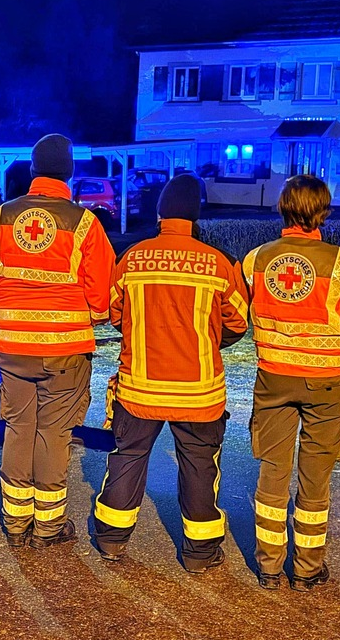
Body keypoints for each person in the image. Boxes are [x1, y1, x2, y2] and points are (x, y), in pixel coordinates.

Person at [91, 175, 250, 571]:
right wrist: (210, 341)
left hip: (140, 388)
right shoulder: (218, 263)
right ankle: (199, 554)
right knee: (199, 466)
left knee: (127, 457)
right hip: (199, 393)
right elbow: (238, 321)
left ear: (160, 212)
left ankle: (111, 540)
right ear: (196, 216)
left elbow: (114, 313)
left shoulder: (132, 258)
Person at [0, 133, 115, 548]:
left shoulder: (0, 218)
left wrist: (18, 303)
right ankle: (48, 527)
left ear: (33, 171)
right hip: (65, 351)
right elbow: (101, 297)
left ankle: (15, 523)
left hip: (15, 347)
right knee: (54, 434)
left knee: (18, 428)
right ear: (69, 173)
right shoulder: (85, 223)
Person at [241, 175, 340, 592]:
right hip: (327, 383)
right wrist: (329, 361)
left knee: (273, 470)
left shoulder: (256, 260)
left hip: (274, 378)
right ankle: (307, 569)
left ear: (282, 208)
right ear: (323, 212)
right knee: (315, 477)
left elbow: (247, 317)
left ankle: (269, 568)